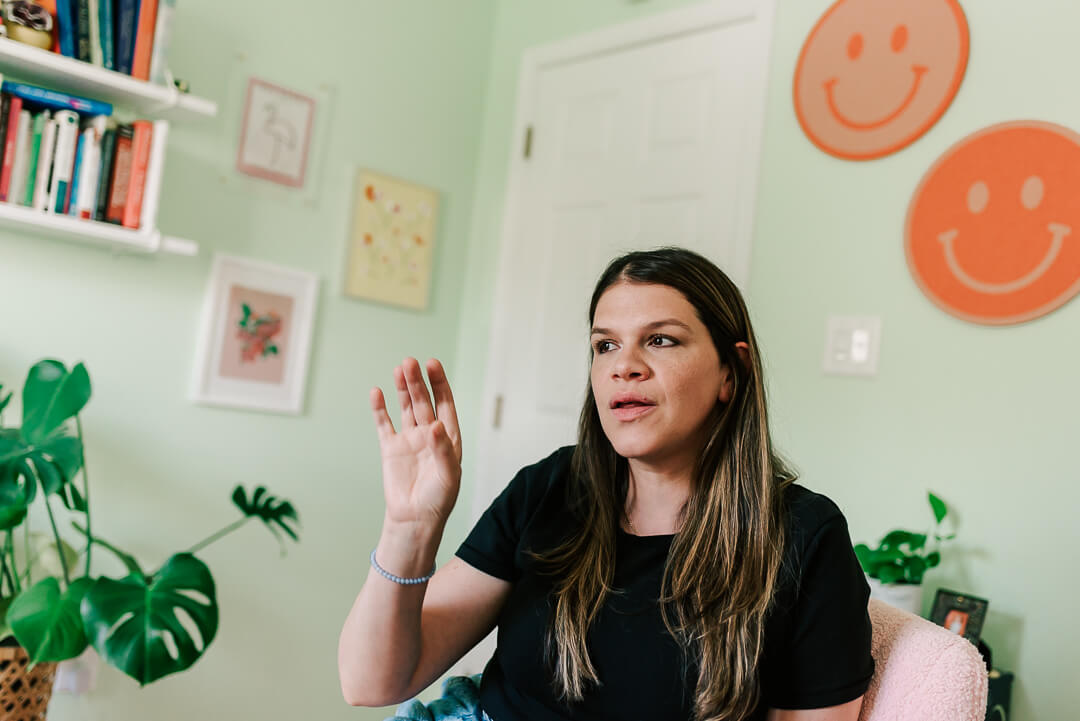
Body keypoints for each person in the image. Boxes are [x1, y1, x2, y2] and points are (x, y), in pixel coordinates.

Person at [339, 247, 874, 721]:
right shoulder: (549, 488)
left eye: (660, 340)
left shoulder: (806, 535)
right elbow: (372, 684)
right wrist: (408, 531)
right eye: (605, 346)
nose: (624, 367)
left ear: (730, 374)